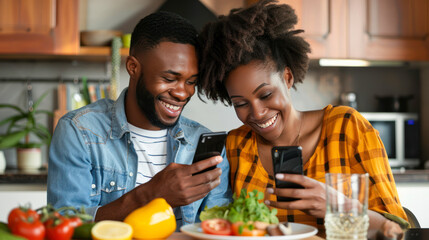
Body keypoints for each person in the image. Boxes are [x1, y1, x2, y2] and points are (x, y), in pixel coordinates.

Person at [197, 0, 407, 237]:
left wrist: (336, 204)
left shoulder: (347, 127)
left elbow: (397, 231)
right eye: (241, 104)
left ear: (287, 78)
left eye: (266, 94)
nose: (257, 113)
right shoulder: (236, 145)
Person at [48, 11, 231, 228]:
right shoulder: (79, 131)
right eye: (169, 78)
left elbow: (218, 227)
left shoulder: (205, 143)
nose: (182, 93)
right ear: (133, 67)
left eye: (191, 82)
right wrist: (151, 193)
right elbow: (64, 226)